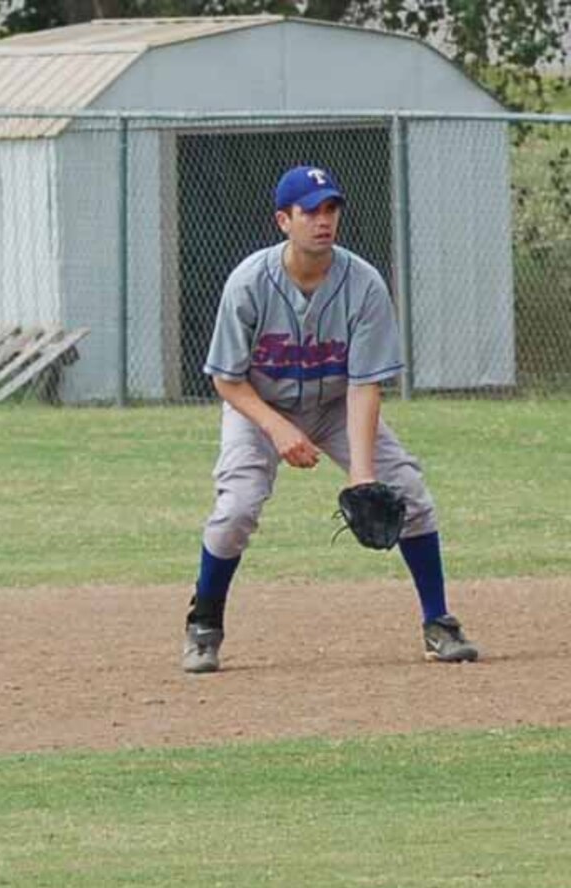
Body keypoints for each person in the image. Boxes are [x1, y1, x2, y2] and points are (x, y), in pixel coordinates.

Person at [181, 164, 480, 674]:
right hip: (258, 406)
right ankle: (204, 625)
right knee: (237, 508)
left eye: (331, 209)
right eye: (310, 211)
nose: (323, 220)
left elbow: (365, 384)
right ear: (283, 220)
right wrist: (277, 429)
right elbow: (226, 379)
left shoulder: (363, 285)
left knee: (408, 493)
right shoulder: (249, 283)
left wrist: (363, 473)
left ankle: (439, 623)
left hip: (337, 405)